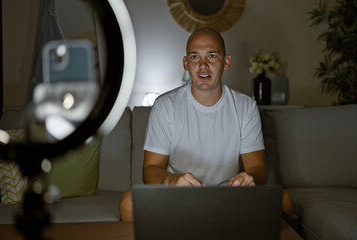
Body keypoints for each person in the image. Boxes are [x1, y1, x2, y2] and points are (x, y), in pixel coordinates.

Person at [119, 27, 291, 222]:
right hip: (178, 198)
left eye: (212, 56)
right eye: (194, 57)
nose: (203, 65)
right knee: (128, 202)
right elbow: (150, 170)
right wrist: (172, 180)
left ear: (226, 62)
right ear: (185, 63)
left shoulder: (246, 107)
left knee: (283, 201)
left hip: (229, 199)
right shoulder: (165, 105)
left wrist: (248, 177)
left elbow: (259, 170)